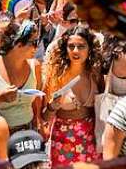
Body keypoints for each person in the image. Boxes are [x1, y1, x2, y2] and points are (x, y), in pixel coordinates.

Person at [42, 25, 102, 165]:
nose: (76, 51)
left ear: (89, 49)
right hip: (62, 140)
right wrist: (52, 107)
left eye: (81, 46)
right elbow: (44, 116)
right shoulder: (55, 76)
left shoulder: (95, 74)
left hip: (91, 138)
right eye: (71, 46)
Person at [0, 19, 42, 134]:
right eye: (33, 42)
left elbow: (36, 99)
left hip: (28, 133)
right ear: (18, 44)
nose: (36, 47)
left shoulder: (35, 66)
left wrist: (39, 123)